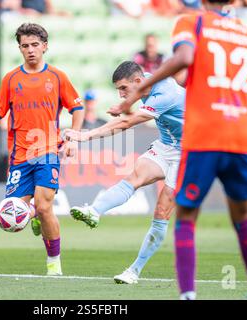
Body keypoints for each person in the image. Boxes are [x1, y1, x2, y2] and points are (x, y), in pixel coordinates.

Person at [109, 0, 247, 300]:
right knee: (244, 216)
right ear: (233, 2)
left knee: (186, 217)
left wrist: (138, 93)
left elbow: (184, 57)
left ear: (203, 2)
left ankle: (188, 295)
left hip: (204, 135)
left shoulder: (191, 23)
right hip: (242, 137)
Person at [0, 23, 84, 276]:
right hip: (19, 157)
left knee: (45, 206)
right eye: (25, 46)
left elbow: (77, 108)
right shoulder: (11, 79)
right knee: (9, 214)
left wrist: (73, 138)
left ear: (45, 46)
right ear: (20, 49)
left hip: (47, 151)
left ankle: (53, 265)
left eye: (35, 45)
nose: (30, 50)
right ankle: (33, 215)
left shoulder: (57, 77)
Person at [65, 61, 185, 284]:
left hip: (191, 152)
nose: (121, 95)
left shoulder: (165, 93)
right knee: (135, 176)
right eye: (118, 89)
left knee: (162, 208)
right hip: (167, 145)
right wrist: (125, 105)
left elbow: (127, 123)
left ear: (138, 82)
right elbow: (128, 109)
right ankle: (94, 211)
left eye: (123, 89)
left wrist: (85, 135)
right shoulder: (145, 80)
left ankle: (134, 271)